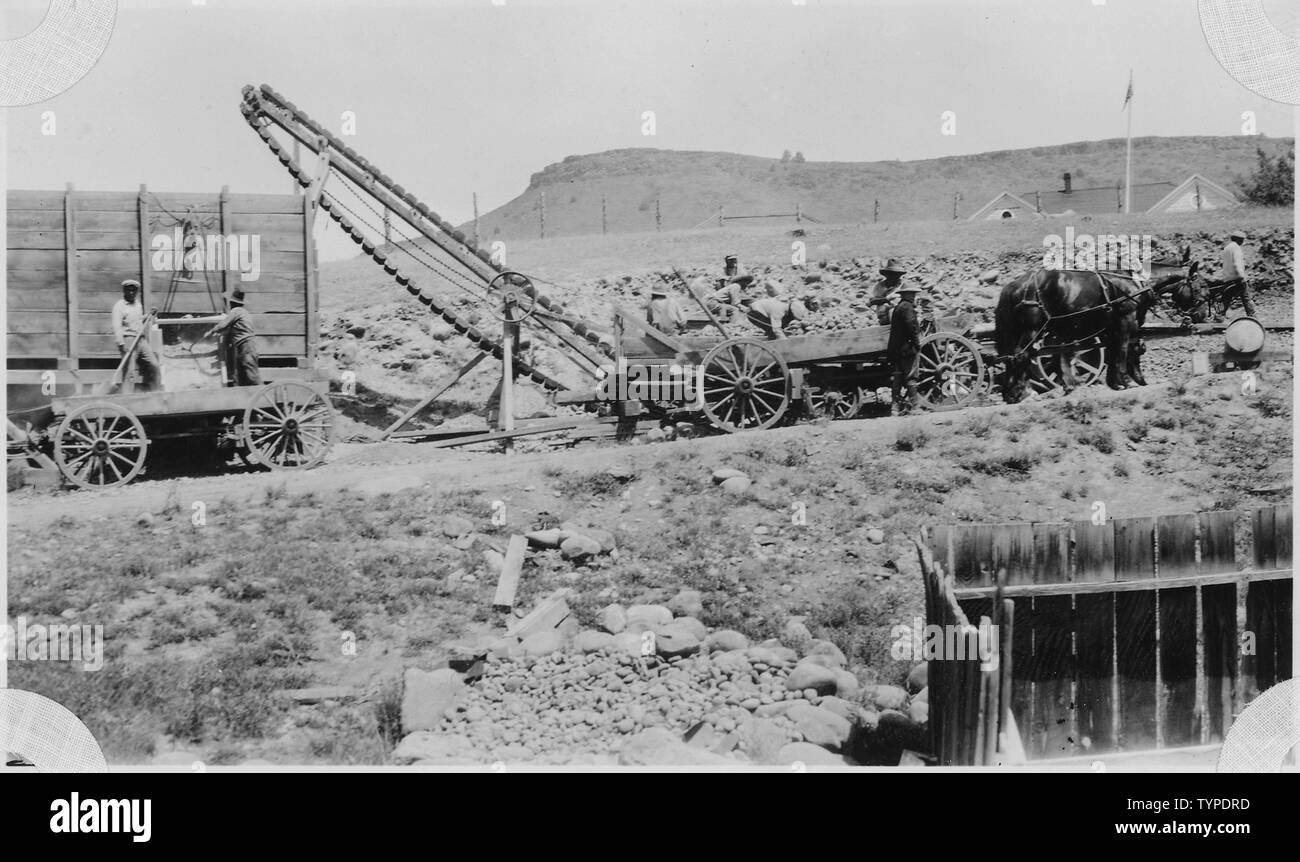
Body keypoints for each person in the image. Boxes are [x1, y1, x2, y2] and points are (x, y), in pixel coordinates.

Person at [204, 287, 261, 386]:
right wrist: (219, 333)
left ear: (233, 303)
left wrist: (211, 331)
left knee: (252, 374)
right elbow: (230, 329)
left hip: (246, 345)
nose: (229, 304)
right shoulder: (242, 313)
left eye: (230, 302)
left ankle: (264, 394)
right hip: (244, 346)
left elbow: (223, 324)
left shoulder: (236, 311)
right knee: (240, 374)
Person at [110, 279, 161, 392]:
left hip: (141, 340)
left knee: (154, 365)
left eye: (134, 290)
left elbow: (138, 321)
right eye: (129, 290)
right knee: (129, 373)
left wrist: (149, 315)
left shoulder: (138, 304)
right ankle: (127, 398)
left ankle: (156, 393)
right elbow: (116, 326)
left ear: (137, 292)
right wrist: (121, 343)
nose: (131, 293)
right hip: (128, 340)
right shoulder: (119, 306)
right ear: (124, 291)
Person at [889, 284, 923, 414]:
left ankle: (894, 408)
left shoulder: (898, 307)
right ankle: (915, 407)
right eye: (912, 294)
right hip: (907, 348)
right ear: (905, 294)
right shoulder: (907, 307)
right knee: (911, 376)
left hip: (897, 349)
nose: (914, 297)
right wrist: (916, 342)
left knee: (897, 378)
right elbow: (911, 326)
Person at [1216, 230, 1256, 318]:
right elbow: (1237, 264)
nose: (1243, 241)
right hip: (1237, 278)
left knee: (1226, 298)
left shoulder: (1227, 248)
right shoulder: (1236, 248)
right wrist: (1242, 276)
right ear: (1238, 239)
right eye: (1242, 239)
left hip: (1228, 278)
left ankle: (1219, 316)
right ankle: (1252, 316)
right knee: (1246, 298)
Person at [870, 259, 907, 325]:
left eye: (896, 274)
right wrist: (887, 299)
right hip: (883, 316)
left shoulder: (903, 285)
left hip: (899, 316)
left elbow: (910, 301)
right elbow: (872, 301)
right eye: (891, 274)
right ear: (886, 275)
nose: (893, 277)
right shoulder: (880, 286)